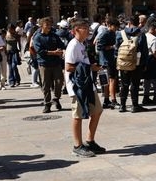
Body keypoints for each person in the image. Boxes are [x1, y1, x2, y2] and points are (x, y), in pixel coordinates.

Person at [64, 19, 106, 157]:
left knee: (97, 110)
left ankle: (90, 140)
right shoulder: (73, 45)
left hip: (87, 83)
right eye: (85, 28)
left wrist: (92, 66)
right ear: (76, 30)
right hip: (77, 86)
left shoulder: (82, 44)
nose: (88, 30)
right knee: (78, 115)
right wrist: (89, 67)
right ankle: (77, 145)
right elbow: (68, 67)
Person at [33, 17, 65, 114]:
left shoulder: (54, 36)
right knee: (46, 85)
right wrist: (54, 52)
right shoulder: (38, 37)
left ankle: (56, 98)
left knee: (59, 82)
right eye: (47, 25)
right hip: (44, 64)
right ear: (42, 26)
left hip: (56, 63)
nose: (49, 27)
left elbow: (62, 45)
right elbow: (40, 51)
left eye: (50, 25)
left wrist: (61, 50)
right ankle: (47, 103)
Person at [95, 17, 119, 109]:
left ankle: (106, 100)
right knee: (111, 80)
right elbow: (100, 47)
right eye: (114, 26)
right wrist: (112, 47)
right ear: (109, 25)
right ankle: (113, 100)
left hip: (109, 60)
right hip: (107, 60)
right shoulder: (105, 34)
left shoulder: (113, 33)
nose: (116, 28)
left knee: (107, 81)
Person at [4, 23, 22, 88]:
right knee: (10, 67)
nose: (10, 30)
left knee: (14, 66)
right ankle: (11, 81)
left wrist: (20, 52)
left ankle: (17, 79)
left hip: (15, 52)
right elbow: (4, 43)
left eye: (11, 29)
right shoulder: (5, 34)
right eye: (9, 29)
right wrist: (4, 51)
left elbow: (19, 43)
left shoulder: (16, 35)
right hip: (8, 52)